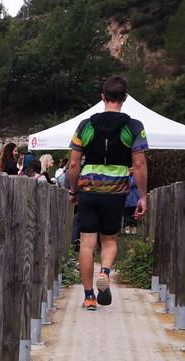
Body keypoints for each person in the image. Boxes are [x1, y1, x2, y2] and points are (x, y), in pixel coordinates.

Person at [66, 74, 148, 311]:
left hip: (89, 189)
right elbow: (140, 164)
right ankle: (105, 272)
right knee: (110, 240)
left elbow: (73, 163)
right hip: (116, 190)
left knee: (87, 243)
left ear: (102, 97)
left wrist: (74, 190)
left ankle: (89, 296)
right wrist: (142, 196)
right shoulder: (134, 127)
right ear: (125, 98)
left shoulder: (85, 125)